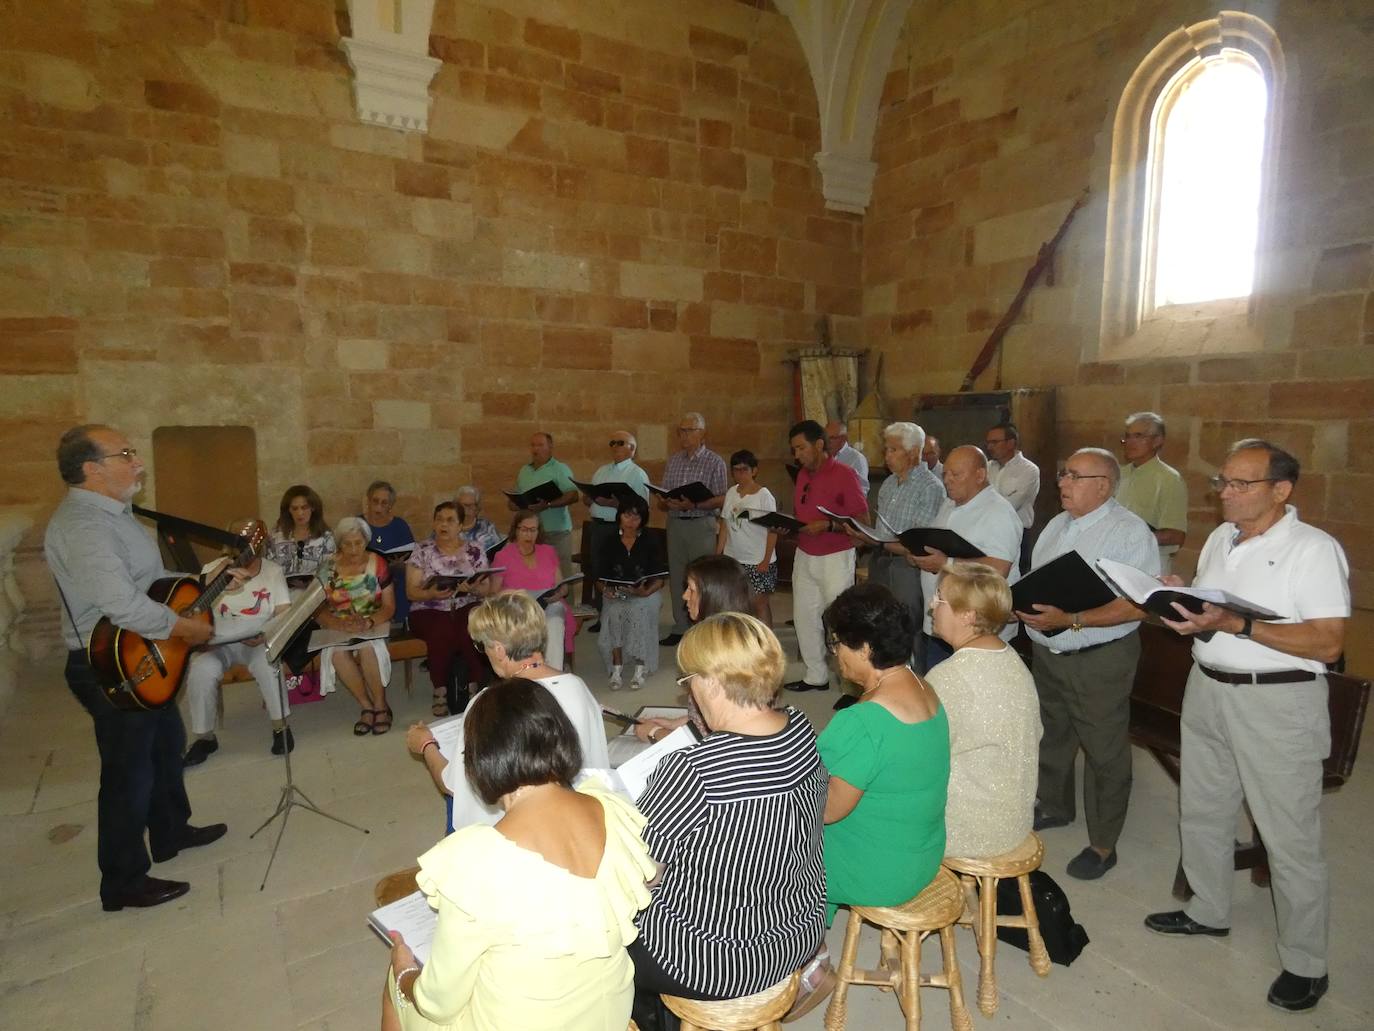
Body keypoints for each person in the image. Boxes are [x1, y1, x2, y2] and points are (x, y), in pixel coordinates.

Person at [1144, 439, 1348, 1014]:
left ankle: (1307, 964)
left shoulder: (1313, 549)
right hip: (1208, 687)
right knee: (1204, 807)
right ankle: (1208, 910)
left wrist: (1237, 624)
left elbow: (1328, 641)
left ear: (1281, 491)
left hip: (1277, 703)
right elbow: (1217, 615)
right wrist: (1184, 600)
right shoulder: (1221, 539)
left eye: (1241, 484)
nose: (1226, 493)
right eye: (1223, 482)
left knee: (1288, 837)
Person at [382, 680, 655, 1031]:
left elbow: (438, 1003)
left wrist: (406, 973)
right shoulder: (610, 809)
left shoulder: (477, 860)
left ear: (480, 761)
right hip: (608, 1016)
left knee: (398, 982)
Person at [43, 424, 226, 912]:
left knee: (167, 745)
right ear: (91, 469)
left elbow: (149, 582)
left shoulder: (118, 514)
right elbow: (122, 604)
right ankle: (122, 881)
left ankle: (170, 832)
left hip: (142, 653)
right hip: (109, 666)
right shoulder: (84, 527)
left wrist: (205, 580)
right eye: (125, 454)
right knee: (128, 775)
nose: (138, 462)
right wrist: (185, 630)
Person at [630, 613, 827, 1031]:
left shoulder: (692, 770)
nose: (690, 691)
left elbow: (638, 871)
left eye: (689, 681)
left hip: (715, 960)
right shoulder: (802, 727)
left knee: (594, 923)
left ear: (713, 683)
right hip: (796, 933)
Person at [1015, 448, 1158, 881]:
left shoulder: (1130, 533)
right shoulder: (1057, 526)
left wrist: (1071, 620)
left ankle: (1103, 842)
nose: (1063, 483)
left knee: (1104, 748)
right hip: (1048, 651)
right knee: (1053, 733)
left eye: (1075, 476)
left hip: (1099, 658)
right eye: (1064, 473)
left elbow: (1138, 606)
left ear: (1104, 485)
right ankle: (1055, 806)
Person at [405, 592, 610, 833]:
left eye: (482, 645)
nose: (483, 652)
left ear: (500, 650)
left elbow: (455, 786)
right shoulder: (577, 685)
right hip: (577, 815)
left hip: (516, 828)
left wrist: (426, 744)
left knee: (455, 800)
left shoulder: (488, 702)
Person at [818, 583, 949, 923]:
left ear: (864, 648)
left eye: (837, 643)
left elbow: (827, 809)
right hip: (922, 854)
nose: (834, 654)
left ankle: (797, 946)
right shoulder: (925, 689)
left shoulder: (863, 722)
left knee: (759, 840)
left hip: (880, 872)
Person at [925, 561, 1040, 858]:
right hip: (1015, 818)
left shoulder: (950, 676)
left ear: (968, 615)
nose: (930, 606)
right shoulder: (1011, 658)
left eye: (939, 599)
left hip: (968, 827)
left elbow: (918, 756)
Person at [183, 519, 294, 766]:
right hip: (218, 644)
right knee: (201, 670)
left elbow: (284, 612)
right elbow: (194, 610)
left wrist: (266, 634)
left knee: (268, 665)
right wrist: (203, 638)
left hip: (256, 641)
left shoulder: (272, 571)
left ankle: (280, 727)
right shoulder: (213, 569)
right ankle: (205, 738)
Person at [908, 445, 1022, 672]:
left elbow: (999, 569)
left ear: (980, 475)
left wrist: (945, 564)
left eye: (956, 474)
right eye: (945, 474)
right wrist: (920, 556)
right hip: (942, 623)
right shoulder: (949, 504)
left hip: (976, 629)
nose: (947, 480)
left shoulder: (998, 512)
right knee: (940, 691)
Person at [782, 420, 869, 697]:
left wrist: (829, 526)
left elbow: (863, 522)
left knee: (840, 621)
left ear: (819, 445)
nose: (797, 455)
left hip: (836, 556)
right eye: (794, 450)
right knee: (805, 617)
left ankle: (850, 686)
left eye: (801, 448)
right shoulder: (803, 475)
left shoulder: (845, 474)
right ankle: (815, 675)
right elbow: (804, 514)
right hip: (805, 554)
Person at [852, 422, 944, 673]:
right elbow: (883, 529)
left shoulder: (930, 487)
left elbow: (919, 540)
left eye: (894, 450)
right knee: (879, 622)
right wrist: (866, 536)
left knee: (908, 625)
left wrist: (881, 540)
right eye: (886, 449)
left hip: (908, 566)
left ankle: (915, 683)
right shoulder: (890, 484)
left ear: (914, 452)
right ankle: (885, 677)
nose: (887, 456)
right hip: (881, 558)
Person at [405, 502, 494, 717]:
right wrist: (431, 594)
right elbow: (411, 592)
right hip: (428, 607)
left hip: (465, 603)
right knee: (442, 628)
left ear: (461, 525)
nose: (443, 524)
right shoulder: (422, 550)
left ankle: (474, 687)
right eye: (439, 519)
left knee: (470, 626)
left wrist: (473, 589)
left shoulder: (474, 550)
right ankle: (440, 690)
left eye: (450, 520)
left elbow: (486, 589)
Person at [319, 515, 396, 735]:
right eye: (347, 544)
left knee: (367, 648)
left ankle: (381, 704)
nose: (353, 549)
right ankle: (366, 706)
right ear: (339, 544)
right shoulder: (328, 566)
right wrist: (337, 623)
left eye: (359, 543)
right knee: (337, 654)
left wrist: (369, 622)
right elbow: (317, 608)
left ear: (366, 542)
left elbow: (389, 606)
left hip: (374, 622)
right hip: (339, 625)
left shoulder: (377, 563)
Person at [658, 411, 727, 646]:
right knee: (678, 576)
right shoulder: (674, 460)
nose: (684, 435)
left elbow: (722, 498)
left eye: (689, 430)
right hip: (676, 523)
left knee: (701, 578)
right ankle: (680, 626)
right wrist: (666, 501)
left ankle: (703, 626)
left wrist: (695, 503)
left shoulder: (714, 461)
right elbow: (664, 493)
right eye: (681, 431)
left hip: (701, 525)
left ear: (702, 433)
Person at [597, 496, 666, 691]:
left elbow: (659, 579)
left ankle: (640, 666)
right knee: (613, 612)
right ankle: (617, 667)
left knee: (640, 611)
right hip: (618, 592)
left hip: (646, 592)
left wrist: (644, 592)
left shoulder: (650, 540)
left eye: (636, 517)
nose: (631, 521)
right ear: (619, 516)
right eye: (627, 515)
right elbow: (599, 579)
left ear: (643, 520)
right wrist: (607, 590)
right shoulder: (609, 540)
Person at [491, 510, 575, 671]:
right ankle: (527, 671)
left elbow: (562, 586)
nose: (529, 534)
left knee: (555, 621)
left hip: (548, 604)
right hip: (518, 608)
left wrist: (559, 593)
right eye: (524, 529)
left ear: (539, 531)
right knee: (523, 625)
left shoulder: (548, 551)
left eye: (533, 530)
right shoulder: (503, 555)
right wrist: (516, 596)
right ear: (515, 530)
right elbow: (494, 592)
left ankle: (553, 672)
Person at [582, 430, 651, 622]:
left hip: (620, 529)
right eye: (612, 442)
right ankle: (603, 615)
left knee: (617, 571)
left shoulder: (637, 474)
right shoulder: (601, 470)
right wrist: (589, 497)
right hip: (597, 526)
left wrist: (615, 504)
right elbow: (588, 499)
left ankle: (620, 615)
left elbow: (642, 508)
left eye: (620, 442)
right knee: (600, 570)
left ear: (632, 449)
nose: (615, 446)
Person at [1115, 411, 1188, 574]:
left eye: (1138, 436)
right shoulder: (1119, 474)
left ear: (1157, 441)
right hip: (1115, 562)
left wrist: (1131, 539)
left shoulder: (1169, 479)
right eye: (1128, 436)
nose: (1130, 442)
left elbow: (1176, 535)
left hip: (1149, 567)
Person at [714, 448, 779, 625]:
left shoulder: (764, 496)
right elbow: (725, 524)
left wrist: (765, 560)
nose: (740, 474)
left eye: (744, 470)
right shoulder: (731, 492)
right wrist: (718, 553)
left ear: (754, 471)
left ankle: (766, 643)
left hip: (757, 559)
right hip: (733, 557)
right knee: (735, 604)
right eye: (736, 470)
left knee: (760, 604)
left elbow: (772, 530)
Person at [512, 431, 580, 577]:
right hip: (531, 533)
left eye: (540, 445)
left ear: (550, 447)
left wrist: (548, 504)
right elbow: (516, 497)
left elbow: (573, 495)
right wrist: (516, 503)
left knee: (561, 574)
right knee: (536, 574)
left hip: (556, 532)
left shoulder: (560, 469)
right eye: (533, 445)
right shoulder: (525, 470)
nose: (536, 449)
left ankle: (565, 601)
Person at [363, 480, 415, 626]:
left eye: (384, 503)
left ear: (390, 506)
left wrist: (400, 564)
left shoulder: (399, 525)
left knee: (400, 579)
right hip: (365, 577)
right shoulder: (359, 524)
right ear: (368, 500)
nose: (378, 507)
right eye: (375, 501)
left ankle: (399, 623)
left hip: (395, 575)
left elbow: (412, 558)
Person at [269, 484, 335, 581]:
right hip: (282, 592)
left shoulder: (325, 538)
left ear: (313, 508)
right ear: (288, 510)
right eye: (295, 508)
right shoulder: (275, 537)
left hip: (316, 593)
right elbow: (269, 570)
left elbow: (330, 571)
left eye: (304, 507)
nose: (300, 513)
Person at [984, 421, 1040, 531]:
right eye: (988, 443)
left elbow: (1011, 505)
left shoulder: (1028, 470)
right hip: (987, 528)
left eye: (994, 442)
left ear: (1010, 443)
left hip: (1015, 530)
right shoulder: (987, 467)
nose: (989, 447)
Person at [455, 484, 503, 557]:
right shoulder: (446, 527)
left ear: (477, 508)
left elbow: (500, 552)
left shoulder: (488, 528)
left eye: (471, 505)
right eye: (465, 505)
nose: (467, 509)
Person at [825, 419, 869, 490]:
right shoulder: (822, 456)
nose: (827, 442)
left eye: (832, 438)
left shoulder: (857, 458)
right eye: (825, 438)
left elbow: (862, 491)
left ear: (843, 438)